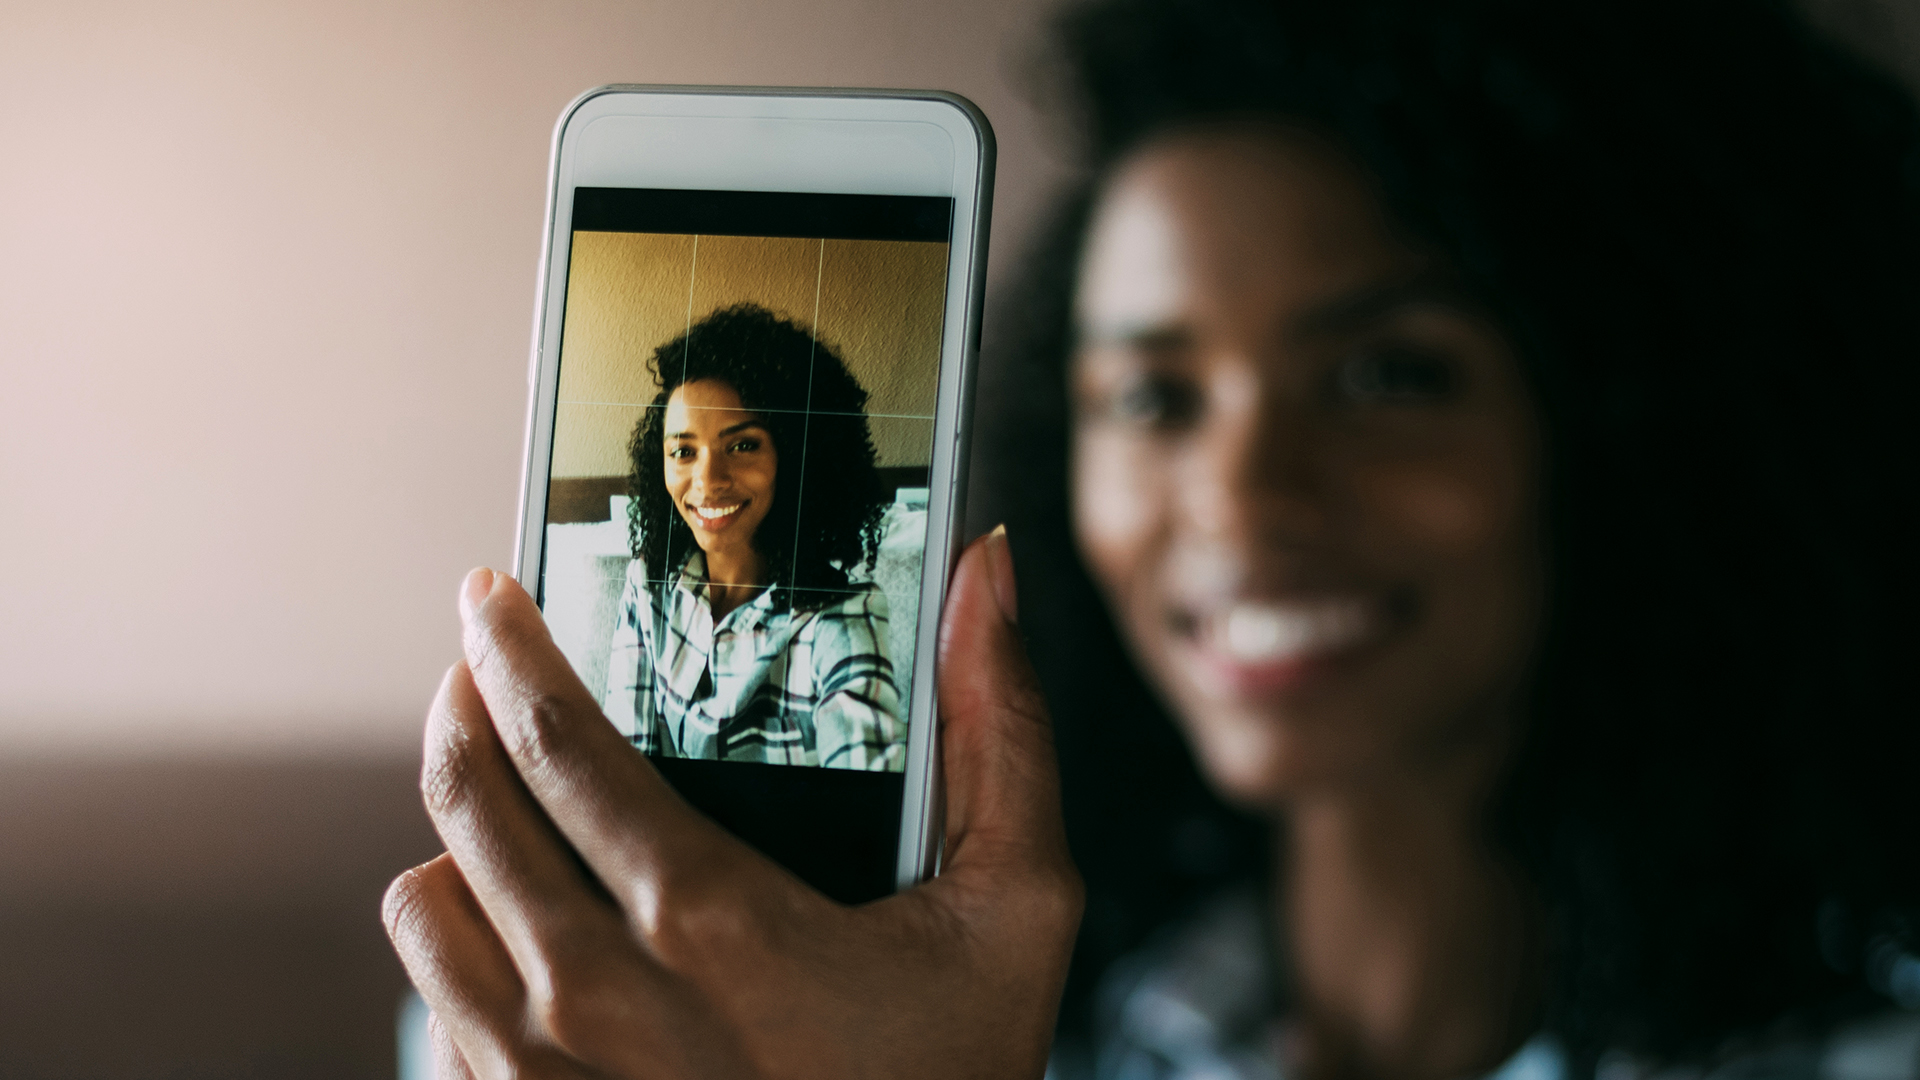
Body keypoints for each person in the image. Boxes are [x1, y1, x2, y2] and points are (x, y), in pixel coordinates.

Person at [384, 0, 1920, 1076]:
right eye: (1154, 393)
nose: (1242, 498)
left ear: (1642, 415)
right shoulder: (929, 1005)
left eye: (1388, 375)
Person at [603, 302, 905, 771]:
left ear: (798, 454)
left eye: (742, 445)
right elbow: (621, 770)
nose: (707, 480)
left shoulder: (841, 619)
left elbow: (868, 783)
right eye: (683, 451)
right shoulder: (648, 588)